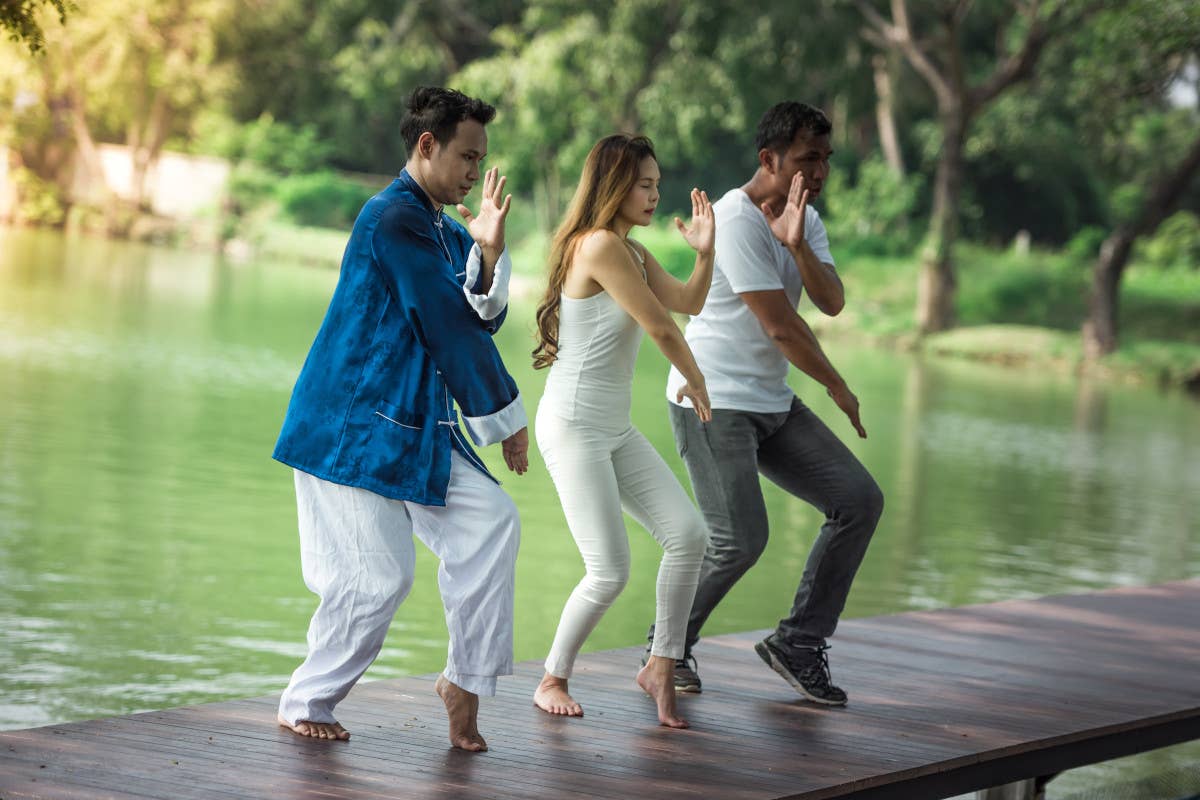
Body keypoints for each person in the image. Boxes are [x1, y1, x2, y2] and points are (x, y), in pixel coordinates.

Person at [272, 86, 529, 752]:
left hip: (412, 429)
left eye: (481, 158)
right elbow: (445, 324)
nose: (475, 170)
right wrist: (506, 419)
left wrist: (491, 254)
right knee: (377, 578)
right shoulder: (390, 219)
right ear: (427, 145)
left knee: (492, 523)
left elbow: (482, 318)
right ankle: (307, 699)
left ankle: (464, 683)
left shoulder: (441, 229)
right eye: (467, 156)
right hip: (351, 427)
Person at [651, 101, 884, 705]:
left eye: (827, 159)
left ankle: (798, 644)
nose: (821, 171)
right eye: (809, 158)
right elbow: (780, 324)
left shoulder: (805, 219)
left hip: (769, 403)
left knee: (858, 501)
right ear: (769, 159)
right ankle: (666, 648)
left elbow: (829, 301)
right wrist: (836, 384)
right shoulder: (734, 218)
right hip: (712, 398)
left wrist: (801, 246)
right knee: (740, 540)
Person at [530, 134, 714, 729]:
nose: (656, 194)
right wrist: (696, 379)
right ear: (614, 185)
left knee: (688, 535)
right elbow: (661, 327)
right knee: (609, 570)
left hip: (612, 427)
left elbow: (687, 301)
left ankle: (662, 663)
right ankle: (552, 677)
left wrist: (706, 254)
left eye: (658, 183)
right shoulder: (600, 245)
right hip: (574, 426)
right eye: (645, 184)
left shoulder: (630, 252)